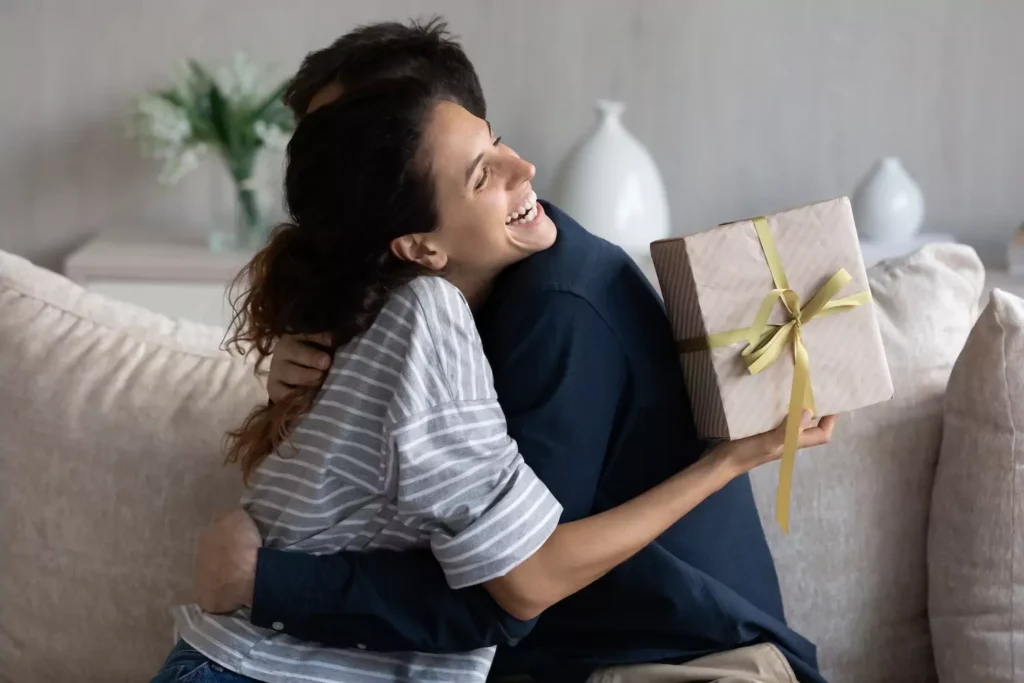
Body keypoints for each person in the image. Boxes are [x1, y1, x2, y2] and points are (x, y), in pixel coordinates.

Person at [191, 20, 832, 683]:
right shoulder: (425, 304)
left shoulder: (556, 307)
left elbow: (510, 592)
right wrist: (297, 388)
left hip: (688, 662)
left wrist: (265, 582)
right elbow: (349, 510)